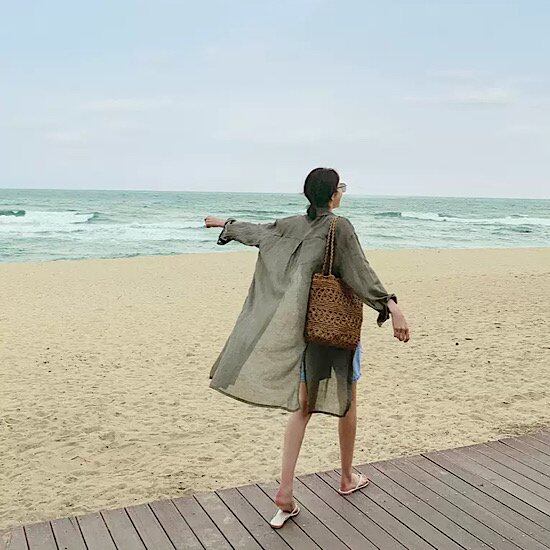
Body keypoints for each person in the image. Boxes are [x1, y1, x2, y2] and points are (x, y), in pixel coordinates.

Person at [204, 167, 410, 528]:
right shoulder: (339, 227)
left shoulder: (292, 225)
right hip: (332, 328)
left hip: (302, 329)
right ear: (332, 195)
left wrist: (225, 224)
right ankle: (347, 478)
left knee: (302, 408)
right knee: (348, 401)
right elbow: (360, 273)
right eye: (340, 188)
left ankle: (285, 492)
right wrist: (391, 307)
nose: (342, 192)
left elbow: (260, 233)